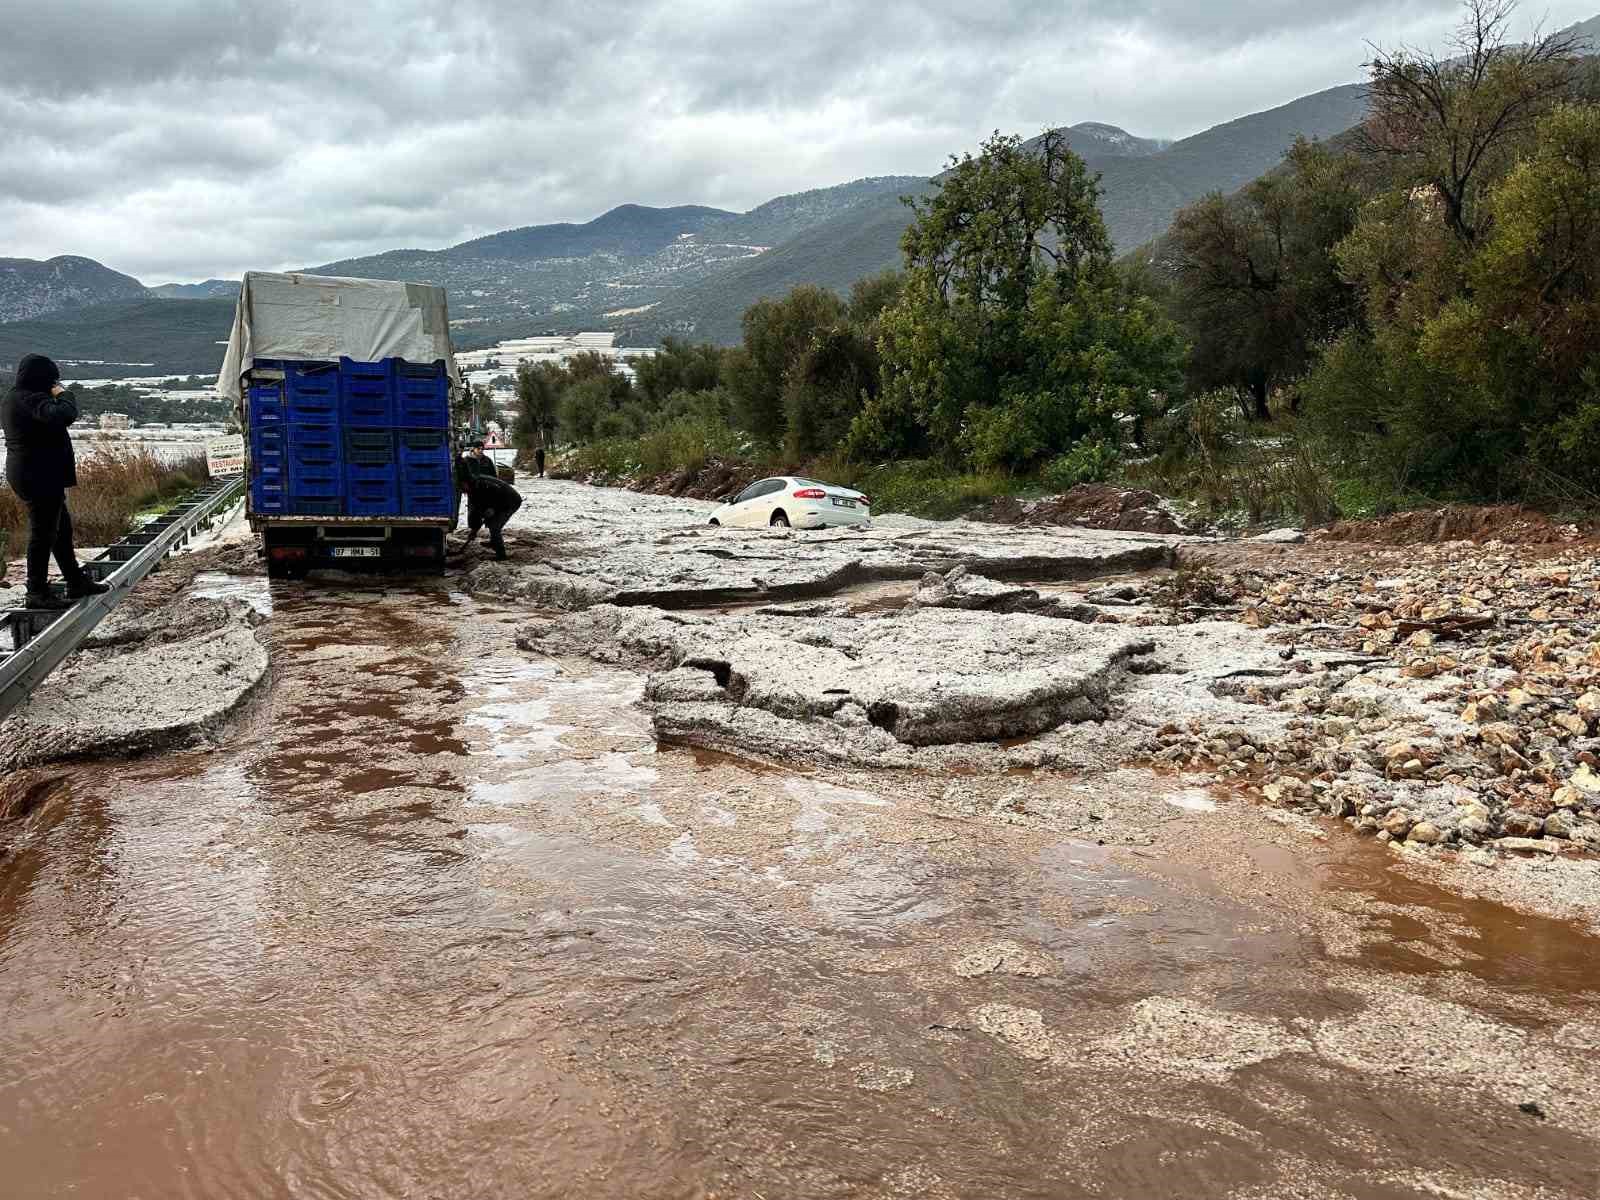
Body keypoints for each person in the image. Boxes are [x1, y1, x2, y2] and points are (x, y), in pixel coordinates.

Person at [2, 354, 109, 611]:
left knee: (60, 531)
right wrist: (63, 393)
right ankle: (36, 591)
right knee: (43, 534)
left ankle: (75, 581)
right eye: (52, 379)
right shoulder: (32, 398)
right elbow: (64, 415)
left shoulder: (14, 396)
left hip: (31, 472)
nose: (55, 383)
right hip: (37, 474)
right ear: (43, 378)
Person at [460, 469, 523, 560]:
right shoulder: (473, 488)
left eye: (462, 487)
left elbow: (499, 496)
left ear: (466, 482)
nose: (462, 490)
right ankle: (494, 542)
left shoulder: (483, 484)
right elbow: (477, 511)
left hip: (511, 501)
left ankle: (501, 555)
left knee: (494, 526)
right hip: (498, 502)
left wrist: (493, 509)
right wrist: (474, 529)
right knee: (490, 521)